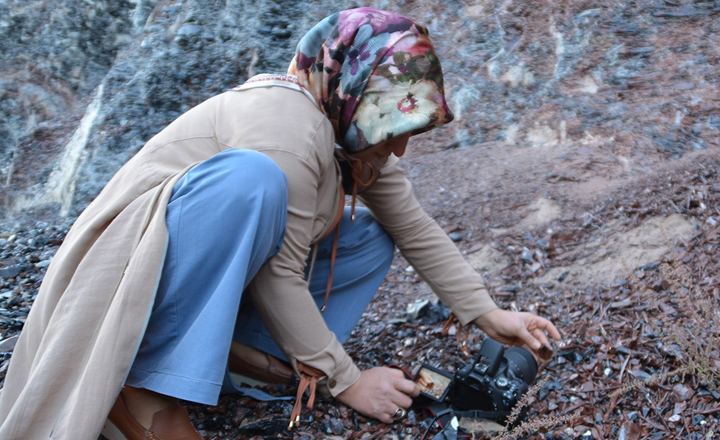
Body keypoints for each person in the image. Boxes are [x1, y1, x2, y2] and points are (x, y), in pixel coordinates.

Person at [0, 8, 561, 440]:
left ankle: (241, 364)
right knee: (251, 181)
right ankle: (143, 385)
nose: (404, 148)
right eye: (396, 123)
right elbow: (278, 275)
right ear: (355, 95)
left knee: (370, 235)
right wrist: (348, 381)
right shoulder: (287, 129)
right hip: (125, 279)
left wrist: (488, 314)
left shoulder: (348, 140)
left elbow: (415, 228)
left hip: (193, 279)